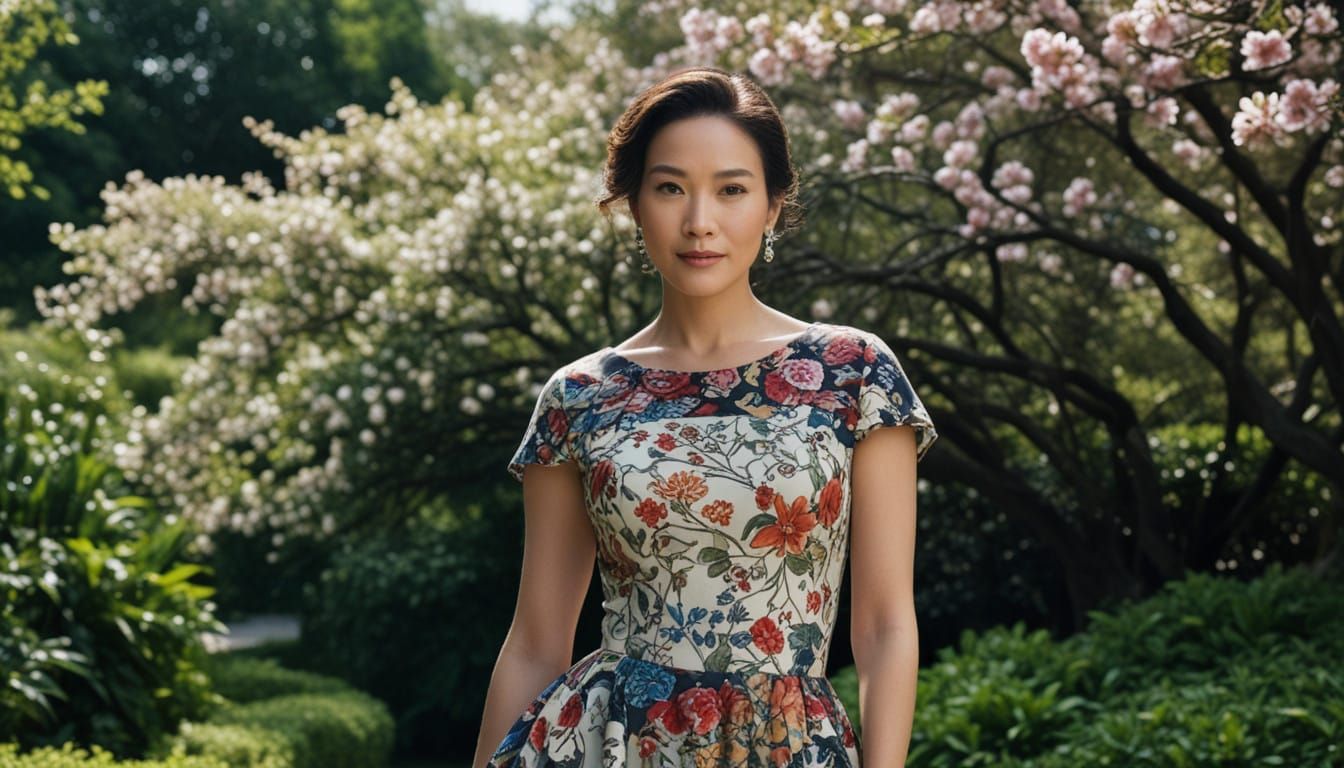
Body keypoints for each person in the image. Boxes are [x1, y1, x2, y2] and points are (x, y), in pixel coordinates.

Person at [473, 65, 937, 768]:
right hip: (609, 746)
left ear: (774, 204)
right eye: (669, 189)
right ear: (632, 203)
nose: (699, 222)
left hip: (786, 747)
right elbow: (536, 641)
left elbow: (883, 626)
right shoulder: (579, 396)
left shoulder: (854, 372)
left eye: (731, 190)